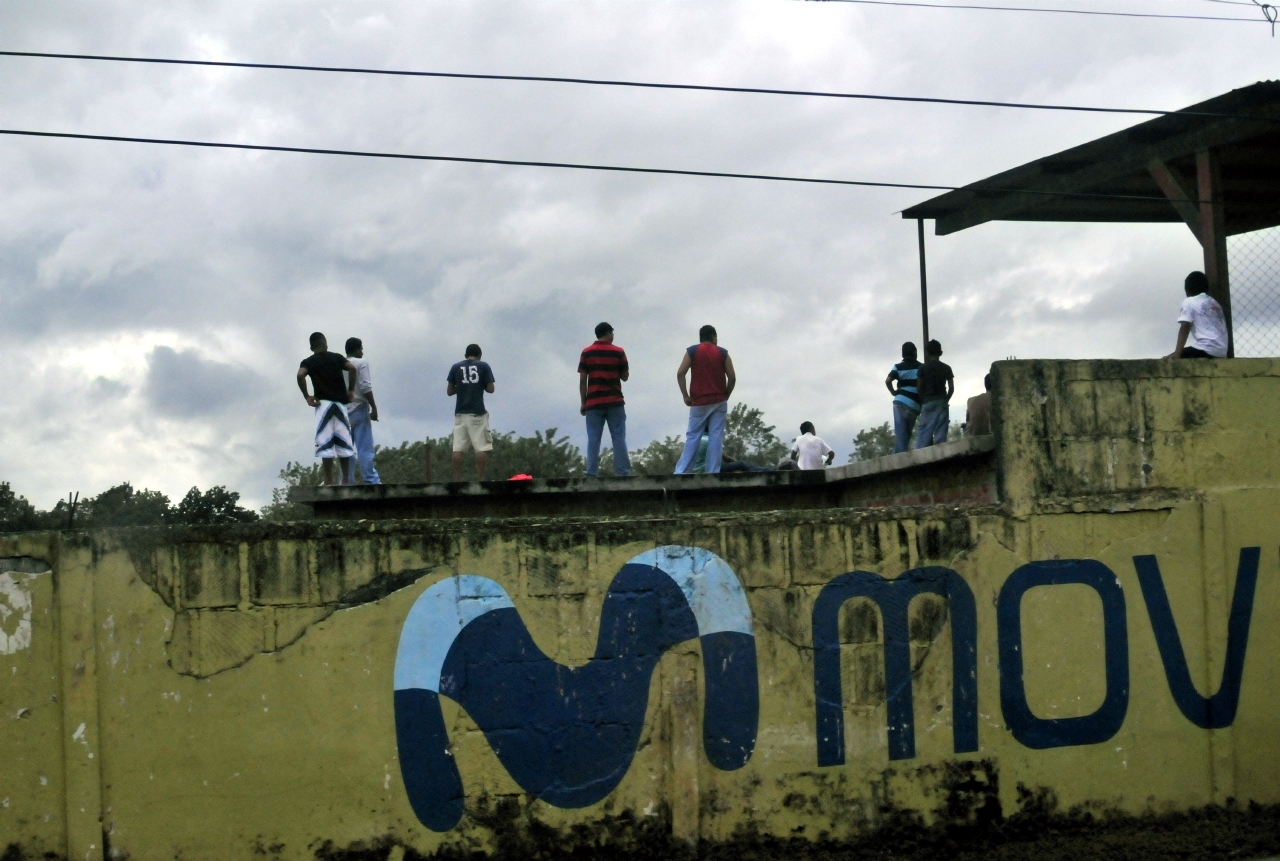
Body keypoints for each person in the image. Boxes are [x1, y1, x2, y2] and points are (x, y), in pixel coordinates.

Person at [296, 332, 357, 486]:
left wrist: (307, 396)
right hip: (340, 405)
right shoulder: (336, 357)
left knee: (325, 444)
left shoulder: (308, 361)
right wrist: (350, 390)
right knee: (343, 442)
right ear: (325, 344)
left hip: (323, 405)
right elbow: (352, 368)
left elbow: (300, 375)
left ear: (311, 347)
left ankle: (328, 481)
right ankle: (345, 481)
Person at [674, 325, 736, 474]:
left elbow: (680, 373)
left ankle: (682, 472)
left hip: (698, 401)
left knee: (693, 436)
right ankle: (713, 471)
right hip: (719, 400)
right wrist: (726, 394)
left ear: (701, 338)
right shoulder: (723, 353)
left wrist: (685, 395)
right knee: (716, 437)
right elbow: (732, 377)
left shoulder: (692, 351)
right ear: (714, 337)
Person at [578, 322, 631, 477]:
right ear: (608, 333)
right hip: (615, 401)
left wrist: (583, 403)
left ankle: (592, 473)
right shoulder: (619, 352)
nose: (613, 336)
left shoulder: (586, 353)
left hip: (593, 403)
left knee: (593, 439)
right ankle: (622, 472)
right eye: (612, 333)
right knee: (618, 437)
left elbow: (583, 380)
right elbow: (625, 377)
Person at [446, 344, 496, 481]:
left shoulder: (456, 367)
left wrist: (461, 387)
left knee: (457, 449)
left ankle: (457, 480)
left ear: (465, 355)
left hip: (460, 413)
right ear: (480, 355)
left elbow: (449, 391)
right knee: (481, 448)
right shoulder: (483, 366)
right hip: (477, 413)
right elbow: (491, 389)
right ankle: (479, 479)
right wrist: (480, 385)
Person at [343, 337, 381, 485]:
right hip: (359, 408)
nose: (362, 352)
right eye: (361, 348)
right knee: (364, 448)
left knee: (346, 450)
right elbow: (365, 386)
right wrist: (374, 407)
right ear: (355, 349)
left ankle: (346, 482)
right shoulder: (361, 363)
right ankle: (371, 480)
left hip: (344, 410)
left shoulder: (341, 365)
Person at [1165, 271, 1228, 359]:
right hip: (1221, 352)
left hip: (1205, 349)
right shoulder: (1215, 304)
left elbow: (1185, 327)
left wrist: (1177, 355)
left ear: (1187, 290)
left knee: (1168, 359)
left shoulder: (1189, 301)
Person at [915, 339, 954, 449]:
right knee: (941, 436)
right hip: (942, 402)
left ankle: (920, 462)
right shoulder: (947, 368)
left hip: (928, 402)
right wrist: (946, 399)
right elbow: (951, 388)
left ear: (927, 353)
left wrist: (923, 401)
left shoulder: (922, 368)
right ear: (941, 353)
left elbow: (919, 387)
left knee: (924, 435)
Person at [885, 342, 922, 453]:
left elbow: (888, 380)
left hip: (899, 402)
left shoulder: (897, 367)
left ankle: (893, 461)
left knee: (901, 436)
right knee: (905, 435)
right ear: (915, 352)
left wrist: (893, 392)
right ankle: (897, 462)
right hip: (913, 405)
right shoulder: (920, 367)